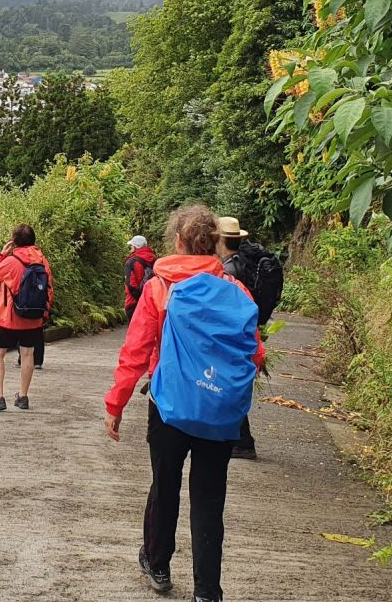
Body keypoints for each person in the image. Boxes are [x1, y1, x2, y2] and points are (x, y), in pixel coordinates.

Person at [105, 205, 264, 602]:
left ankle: (157, 563)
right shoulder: (237, 291)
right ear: (215, 244)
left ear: (176, 241)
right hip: (218, 412)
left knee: (165, 485)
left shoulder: (159, 287)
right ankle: (208, 591)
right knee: (209, 500)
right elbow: (255, 354)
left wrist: (116, 403)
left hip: (169, 405)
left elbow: (136, 351)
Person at [0, 224, 52, 412]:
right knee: (28, 354)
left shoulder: (12, 260)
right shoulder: (42, 260)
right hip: (34, 317)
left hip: (10, 316)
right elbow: (49, 288)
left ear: (14, 241)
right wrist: (44, 313)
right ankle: (23, 397)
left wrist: (2, 254)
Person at [216, 217, 260, 462]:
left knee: (229, 387)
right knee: (235, 385)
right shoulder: (245, 262)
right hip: (248, 332)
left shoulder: (228, 270)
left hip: (232, 336)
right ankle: (240, 439)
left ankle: (243, 441)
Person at [123, 234, 157, 323]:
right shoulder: (154, 260)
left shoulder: (131, 262)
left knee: (135, 333)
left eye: (131, 246)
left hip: (133, 302)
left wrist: (139, 299)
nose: (130, 248)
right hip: (151, 301)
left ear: (135, 247)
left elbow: (131, 284)